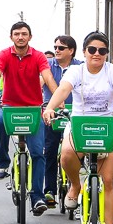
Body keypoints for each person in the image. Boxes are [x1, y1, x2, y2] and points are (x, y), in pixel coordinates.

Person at [43, 32, 113, 224]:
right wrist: (50, 107)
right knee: (67, 154)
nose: (97, 54)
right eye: (92, 50)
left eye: (102, 51)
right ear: (85, 52)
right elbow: (63, 90)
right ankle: (75, 186)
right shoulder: (76, 71)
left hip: (107, 126)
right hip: (79, 124)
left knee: (107, 181)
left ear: (107, 54)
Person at [0, 21, 58, 217]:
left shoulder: (39, 56)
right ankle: (3, 161)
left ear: (30, 37)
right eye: (17, 34)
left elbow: (48, 78)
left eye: (24, 34)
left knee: (38, 154)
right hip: (9, 107)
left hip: (33, 109)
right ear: (11, 37)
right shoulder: (5, 54)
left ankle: (37, 197)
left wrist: (56, 100)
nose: (20, 37)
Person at [42, 35, 82, 207]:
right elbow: (39, 82)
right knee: (49, 150)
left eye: (61, 48)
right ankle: (49, 190)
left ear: (71, 51)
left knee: (78, 152)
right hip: (52, 114)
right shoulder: (48, 65)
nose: (56, 50)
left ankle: (77, 186)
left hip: (76, 115)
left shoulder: (81, 67)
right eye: (55, 47)